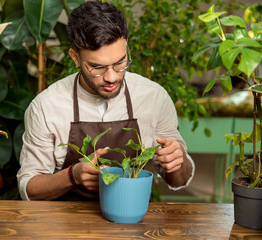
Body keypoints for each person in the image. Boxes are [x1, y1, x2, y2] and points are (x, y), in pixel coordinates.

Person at [17, 0, 194, 201]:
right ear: (75, 58)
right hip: (65, 225)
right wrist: (71, 176)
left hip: (132, 221)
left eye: (120, 63)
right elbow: (29, 188)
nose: (111, 77)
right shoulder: (45, 106)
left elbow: (180, 179)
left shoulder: (154, 97)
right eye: (98, 67)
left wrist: (176, 160)